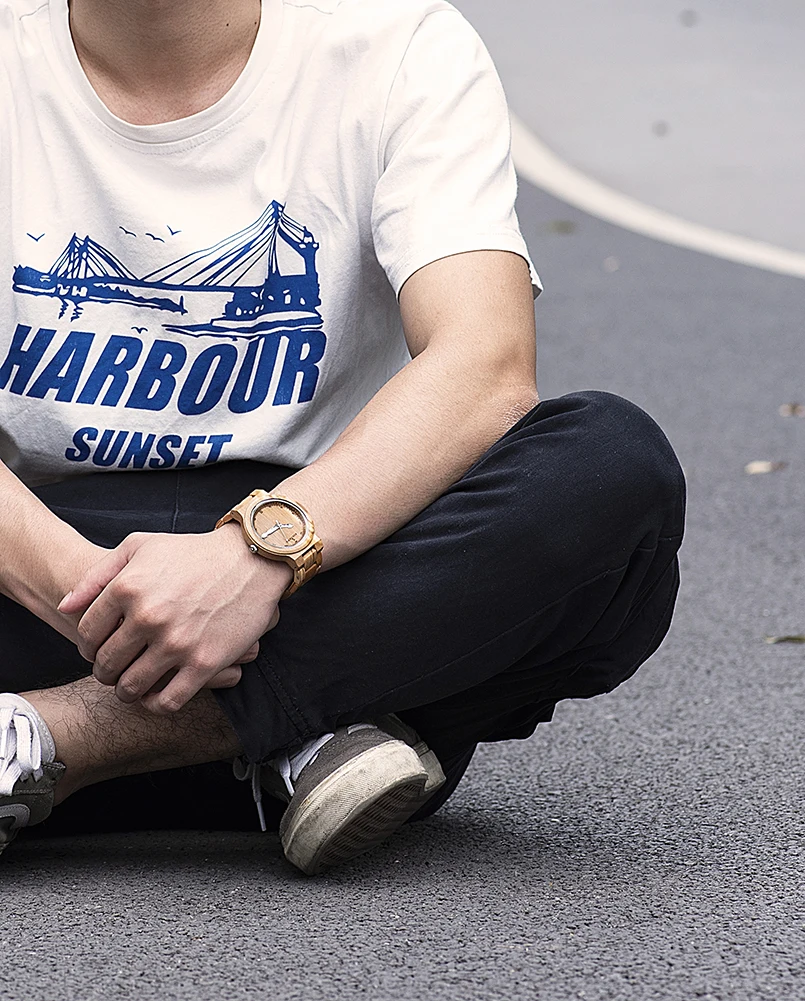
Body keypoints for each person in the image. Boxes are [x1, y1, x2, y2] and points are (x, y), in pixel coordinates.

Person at [0, 0, 686, 874]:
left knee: (609, 469)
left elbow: (484, 366)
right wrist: (115, 609)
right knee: (426, 645)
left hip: (321, 560)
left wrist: (254, 557)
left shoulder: (397, 48)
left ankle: (45, 739)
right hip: (52, 572)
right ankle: (298, 732)